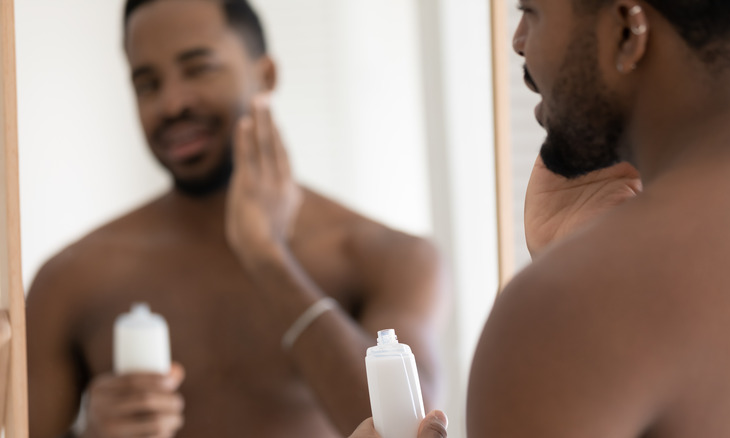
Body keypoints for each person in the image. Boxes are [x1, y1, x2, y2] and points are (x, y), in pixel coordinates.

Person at [352, 0, 730, 436]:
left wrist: (576, 285)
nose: (518, 41)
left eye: (531, 12)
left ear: (627, 31)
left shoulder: (565, 313)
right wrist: (580, 250)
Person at [26, 1, 447, 437]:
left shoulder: (390, 258)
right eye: (147, 84)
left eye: (198, 69)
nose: (171, 103)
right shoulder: (69, 280)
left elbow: (413, 430)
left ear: (266, 75)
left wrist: (268, 259)